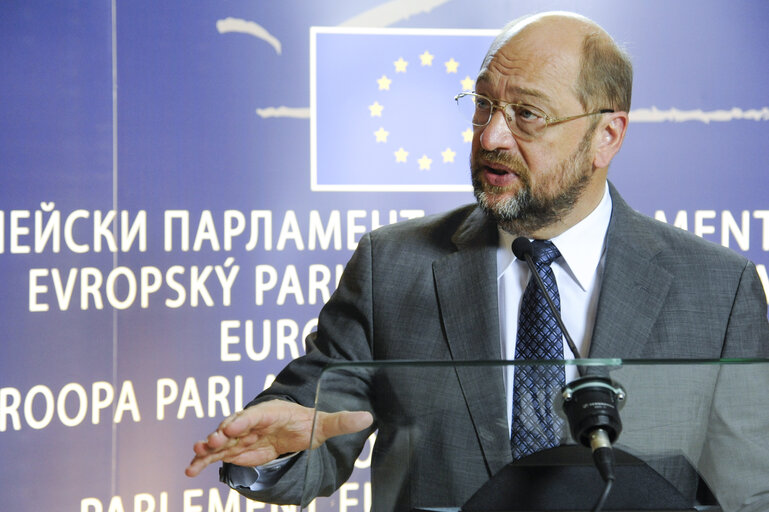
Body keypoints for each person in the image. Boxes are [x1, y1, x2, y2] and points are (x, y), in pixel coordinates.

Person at [186, 11, 769, 511]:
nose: (491, 136)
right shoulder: (392, 267)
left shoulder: (718, 290)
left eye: (527, 114)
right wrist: (280, 444)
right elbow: (316, 418)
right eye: (484, 104)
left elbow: (752, 493)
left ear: (606, 136)